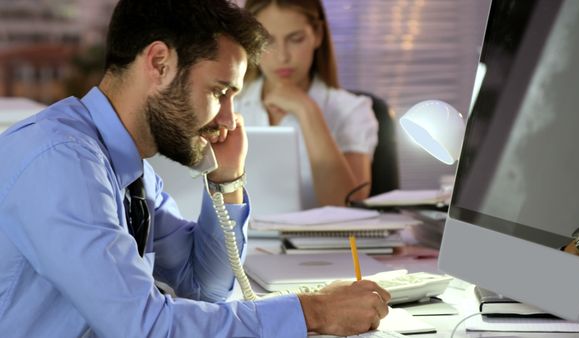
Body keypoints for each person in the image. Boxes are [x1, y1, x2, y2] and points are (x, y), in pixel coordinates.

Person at [0, 1, 390, 337]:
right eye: (219, 92)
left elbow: (203, 286)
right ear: (159, 63)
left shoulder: (130, 171)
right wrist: (314, 311)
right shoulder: (60, 161)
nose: (229, 120)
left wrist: (228, 179)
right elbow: (146, 328)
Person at [235, 0, 379, 207]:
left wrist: (306, 110)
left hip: (318, 239)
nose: (283, 56)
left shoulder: (352, 110)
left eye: (296, 39)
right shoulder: (227, 105)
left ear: (317, 35)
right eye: (268, 41)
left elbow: (349, 206)